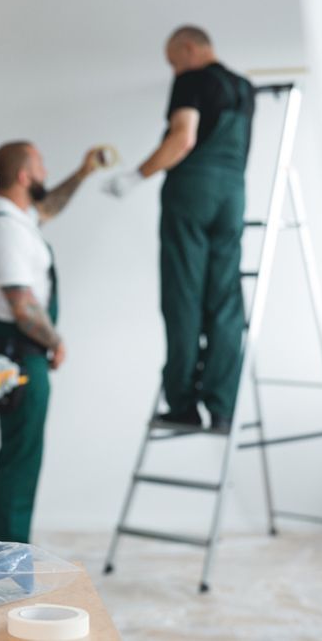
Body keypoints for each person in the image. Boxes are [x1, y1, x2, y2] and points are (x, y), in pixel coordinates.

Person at [102, 25, 255, 433]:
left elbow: (183, 138)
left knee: (183, 295)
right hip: (232, 196)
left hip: (193, 193)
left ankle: (184, 404)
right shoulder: (243, 87)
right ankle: (222, 408)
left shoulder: (192, 80)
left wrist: (136, 175)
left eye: (173, 61)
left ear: (189, 48)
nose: (173, 70)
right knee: (224, 300)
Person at [0, 141, 104, 543]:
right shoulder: (5, 229)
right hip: (20, 354)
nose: (46, 172)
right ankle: (8, 553)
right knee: (20, 459)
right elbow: (23, 305)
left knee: (20, 454)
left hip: (19, 351)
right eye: (41, 166)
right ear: (24, 176)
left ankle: (9, 548)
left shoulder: (15, 216)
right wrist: (56, 341)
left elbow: (48, 207)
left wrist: (83, 172)